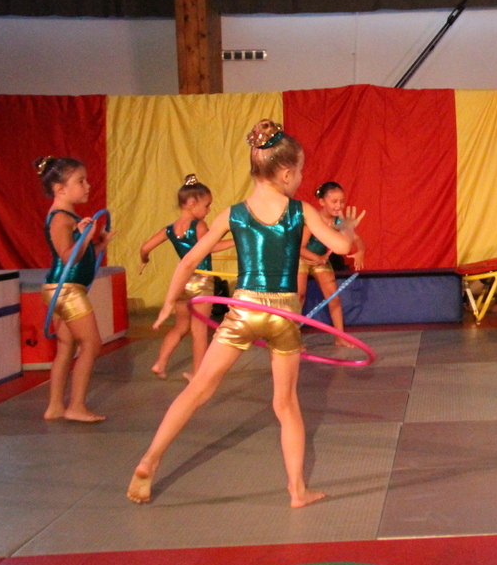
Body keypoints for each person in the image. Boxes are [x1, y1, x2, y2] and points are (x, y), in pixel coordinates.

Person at [127, 120, 363, 507]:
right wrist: (349, 228)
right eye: (300, 171)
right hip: (284, 314)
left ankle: (149, 460)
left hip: (242, 309)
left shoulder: (232, 214)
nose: (300, 178)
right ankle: (297, 490)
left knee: (199, 389)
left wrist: (170, 301)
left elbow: (188, 261)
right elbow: (340, 247)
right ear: (285, 173)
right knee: (285, 405)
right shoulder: (300, 210)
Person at [36, 155, 115, 422]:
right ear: (60, 189)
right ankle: (76, 406)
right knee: (92, 344)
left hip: (63, 288)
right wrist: (84, 237)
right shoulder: (60, 218)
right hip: (67, 289)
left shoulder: (68, 216)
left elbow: (80, 255)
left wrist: (98, 244)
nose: (88, 186)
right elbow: (67, 255)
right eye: (80, 181)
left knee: (66, 346)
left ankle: (55, 406)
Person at [138, 175, 233, 380]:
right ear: (192, 203)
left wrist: (144, 260)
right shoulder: (198, 225)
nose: (208, 210)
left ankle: (160, 363)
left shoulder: (170, 229)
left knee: (181, 326)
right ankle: (197, 374)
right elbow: (210, 247)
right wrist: (236, 242)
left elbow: (145, 247)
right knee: (199, 331)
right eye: (207, 205)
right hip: (201, 282)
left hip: (182, 281)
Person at [297, 181, 364, 347]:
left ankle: (340, 337)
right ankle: (293, 340)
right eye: (334, 201)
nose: (338, 206)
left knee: (334, 298)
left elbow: (356, 238)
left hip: (320, 260)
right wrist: (316, 258)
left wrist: (360, 251)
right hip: (302, 259)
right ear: (322, 202)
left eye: (342, 201)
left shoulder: (340, 221)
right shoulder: (313, 219)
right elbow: (300, 248)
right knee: (299, 296)